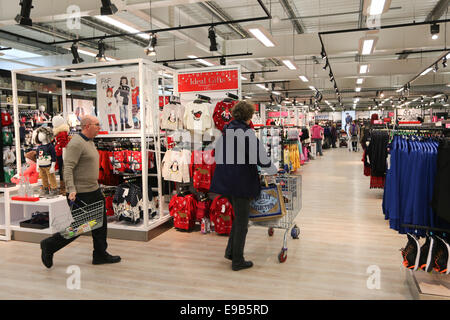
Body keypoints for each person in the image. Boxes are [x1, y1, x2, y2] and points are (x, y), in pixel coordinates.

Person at [40, 115, 121, 268]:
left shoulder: (90, 142)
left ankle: (100, 254)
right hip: (81, 192)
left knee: (100, 224)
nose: (99, 127)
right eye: (97, 124)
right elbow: (68, 168)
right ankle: (49, 245)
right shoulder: (76, 143)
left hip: (94, 189)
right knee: (79, 227)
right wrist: (71, 189)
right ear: (87, 126)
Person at [210, 101, 277, 271]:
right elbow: (259, 155)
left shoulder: (227, 131)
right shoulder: (246, 133)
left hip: (226, 181)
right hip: (240, 182)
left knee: (238, 219)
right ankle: (238, 260)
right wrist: (272, 169)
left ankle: (231, 252)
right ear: (249, 116)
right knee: (242, 222)